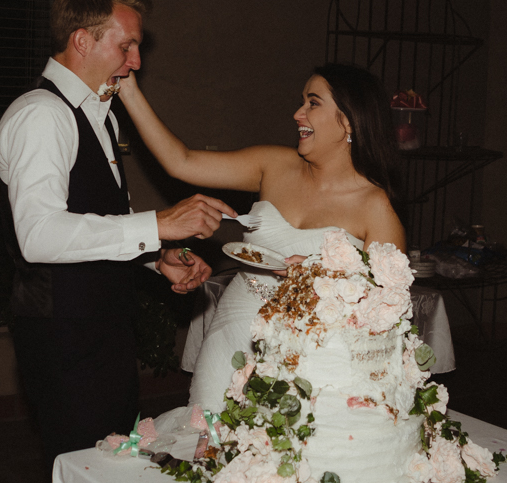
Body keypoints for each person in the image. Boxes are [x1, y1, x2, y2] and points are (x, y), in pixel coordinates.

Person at [0, 0, 236, 462]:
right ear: (81, 40)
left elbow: (98, 218)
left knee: (113, 469)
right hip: (64, 336)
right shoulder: (42, 115)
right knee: (86, 472)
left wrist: (155, 257)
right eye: (126, 46)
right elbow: (39, 236)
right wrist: (159, 224)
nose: (136, 62)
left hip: (103, 331)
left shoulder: (97, 113)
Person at [116, 62, 405, 410]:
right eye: (302, 101)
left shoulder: (375, 207)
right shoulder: (273, 165)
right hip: (236, 321)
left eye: (313, 103)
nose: (298, 113)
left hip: (310, 349)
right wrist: (128, 90)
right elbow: (182, 161)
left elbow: (381, 316)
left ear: (348, 121)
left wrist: (318, 278)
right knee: (208, 426)